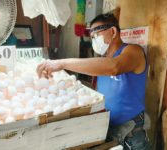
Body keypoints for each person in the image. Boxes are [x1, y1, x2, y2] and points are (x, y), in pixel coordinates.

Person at [36, 13, 150, 150]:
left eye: (96, 35)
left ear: (113, 31)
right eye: (91, 37)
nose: (93, 40)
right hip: (107, 127)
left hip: (130, 133)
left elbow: (114, 67)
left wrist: (62, 63)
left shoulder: (133, 51)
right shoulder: (102, 61)